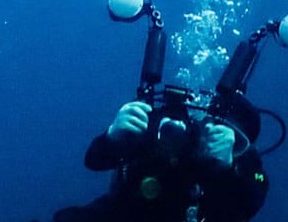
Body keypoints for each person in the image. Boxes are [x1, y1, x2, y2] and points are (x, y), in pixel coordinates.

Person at [51, 91, 268, 222]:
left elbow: (249, 202)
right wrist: (112, 136)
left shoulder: (247, 165)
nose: (212, 136)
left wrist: (227, 168)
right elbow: (95, 160)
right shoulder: (168, 133)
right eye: (208, 124)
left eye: (236, 141)